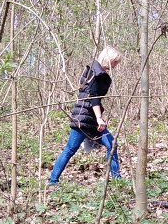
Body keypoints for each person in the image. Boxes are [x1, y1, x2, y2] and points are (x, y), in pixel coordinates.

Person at [49, 46, 123, 185]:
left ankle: (117, 180)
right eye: (114, 63)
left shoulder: (92, 70)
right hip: (83, 118)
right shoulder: (97, 74)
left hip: (91, 118)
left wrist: (97, 118)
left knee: (112, 144)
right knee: (70, 149)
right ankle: (53, 181)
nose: (115, 66)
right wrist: (99, 118)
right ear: (109, 59)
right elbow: (93, 97)